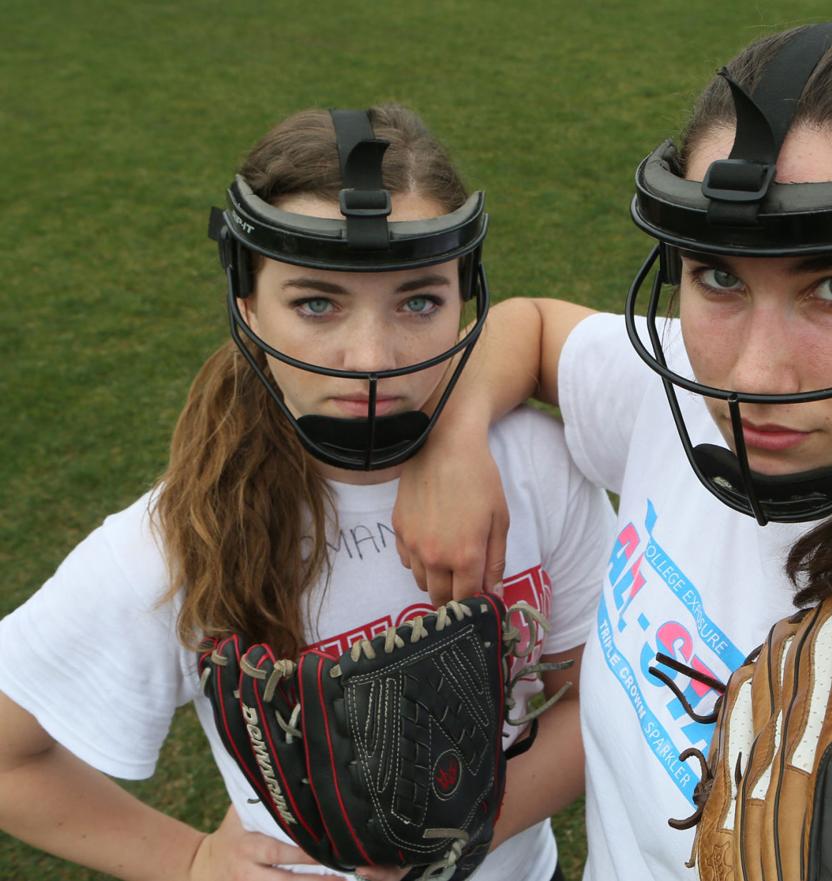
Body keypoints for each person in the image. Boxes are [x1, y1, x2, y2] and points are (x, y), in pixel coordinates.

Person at [388, 21, 832, 880]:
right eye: (719, 276)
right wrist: (451, 443)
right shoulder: (681, 397)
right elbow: (533, 328)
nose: (753, 374)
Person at [0, 104, 613, 881]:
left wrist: (453, 833)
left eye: (418, 301)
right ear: (248, 307)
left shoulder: (535, 465)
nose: (371, 357)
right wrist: (189, 861)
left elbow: (598, 690)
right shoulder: (177, 541)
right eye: (317, 303)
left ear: (466, 300)